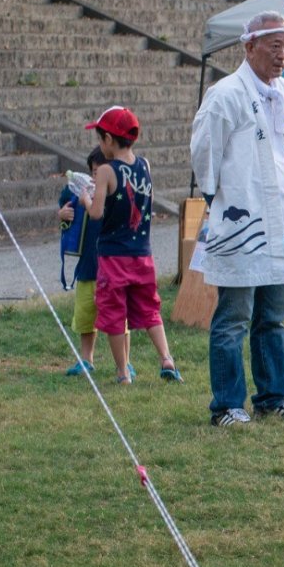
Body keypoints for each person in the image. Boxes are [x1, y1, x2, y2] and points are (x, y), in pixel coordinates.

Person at [190, 11, 284, 427]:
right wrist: (220, 198)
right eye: (274, 46)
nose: (282, 56)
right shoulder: (226, 94)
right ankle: (226, 403)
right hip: (244, 222)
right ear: (249, 47)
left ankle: (272, 395)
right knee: (234, 316)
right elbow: (204, 152)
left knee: (273, 316)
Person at [81, 106, 180, 385]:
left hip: (113, 255)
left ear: (109, 140)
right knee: (150, 309)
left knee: (114, 313)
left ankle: (123, 373)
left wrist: (85, 200)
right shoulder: (145, 165)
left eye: (100, 138)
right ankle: (166, 359)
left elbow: (97, 213)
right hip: (142, 254)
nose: (100, 145)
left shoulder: (105, 171)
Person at [57, 147, 104, 377]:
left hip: (112, 268)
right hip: (87, 266)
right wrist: (62, 214)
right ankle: (86, 359)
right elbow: (65, 203)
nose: (96, 178)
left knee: (118, 317)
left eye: (100, 173)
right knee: (86, 315)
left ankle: (124, 362)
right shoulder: (82, 193)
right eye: (93, 173)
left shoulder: (116, 197)